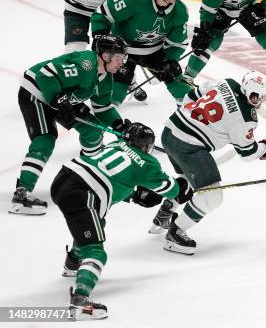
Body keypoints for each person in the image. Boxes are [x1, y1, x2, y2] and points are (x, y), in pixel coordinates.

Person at [51, 123, 193, 320]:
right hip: (82, 193)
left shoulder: (114, 144)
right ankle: (79, 303)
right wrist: (182, 187)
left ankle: (73, 262)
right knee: (96, 250)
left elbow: (111, 176)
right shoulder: (148, 163)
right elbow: (172, 190)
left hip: (63, 179)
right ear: (145, 146)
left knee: (96, 224)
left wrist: (134, 196)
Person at [148, 71, 266, 254]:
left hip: (169, 132)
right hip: (189, 147)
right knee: (211, 196)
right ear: (249, 91)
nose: (260, 101)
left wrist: (201, 122)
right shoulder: (246, 119)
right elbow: (248, 153)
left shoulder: (227, 81)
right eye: (259, 96)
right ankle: (175, 234)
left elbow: (190, 96)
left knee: (186, 178)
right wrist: (265, 148)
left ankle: (164, 214)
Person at [12, 34, 131, 216]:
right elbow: (46, 74)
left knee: (92, 131)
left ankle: (86, 178)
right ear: (105, 56)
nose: (121, 63)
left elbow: (103, 107)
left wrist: (119, 126)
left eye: (123, 59)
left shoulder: (106, 77)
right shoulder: (86, 64)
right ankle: (21, 194)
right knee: (45, 138)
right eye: (118, 58)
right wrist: (57, 99)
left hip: (63, 98)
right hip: (36, 92)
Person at [90, 0, 192, 106]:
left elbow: (177, 43)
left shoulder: (180, 11)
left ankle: (192, 112)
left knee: (177, 83)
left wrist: (171, 60)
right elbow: (103, 13)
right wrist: (99, 36)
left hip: (154, 52)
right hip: (122, 50)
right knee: (115, 95)